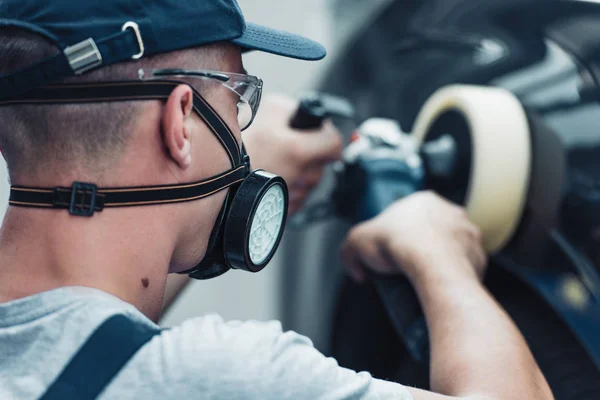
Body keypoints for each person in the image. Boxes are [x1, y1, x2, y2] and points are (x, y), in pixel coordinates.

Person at [0, 1, 554, 400]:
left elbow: (95, 344)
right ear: (180, 123)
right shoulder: (226, 375)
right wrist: (440, 256)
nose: (243, 139)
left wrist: (216, 156)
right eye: (239, 102)